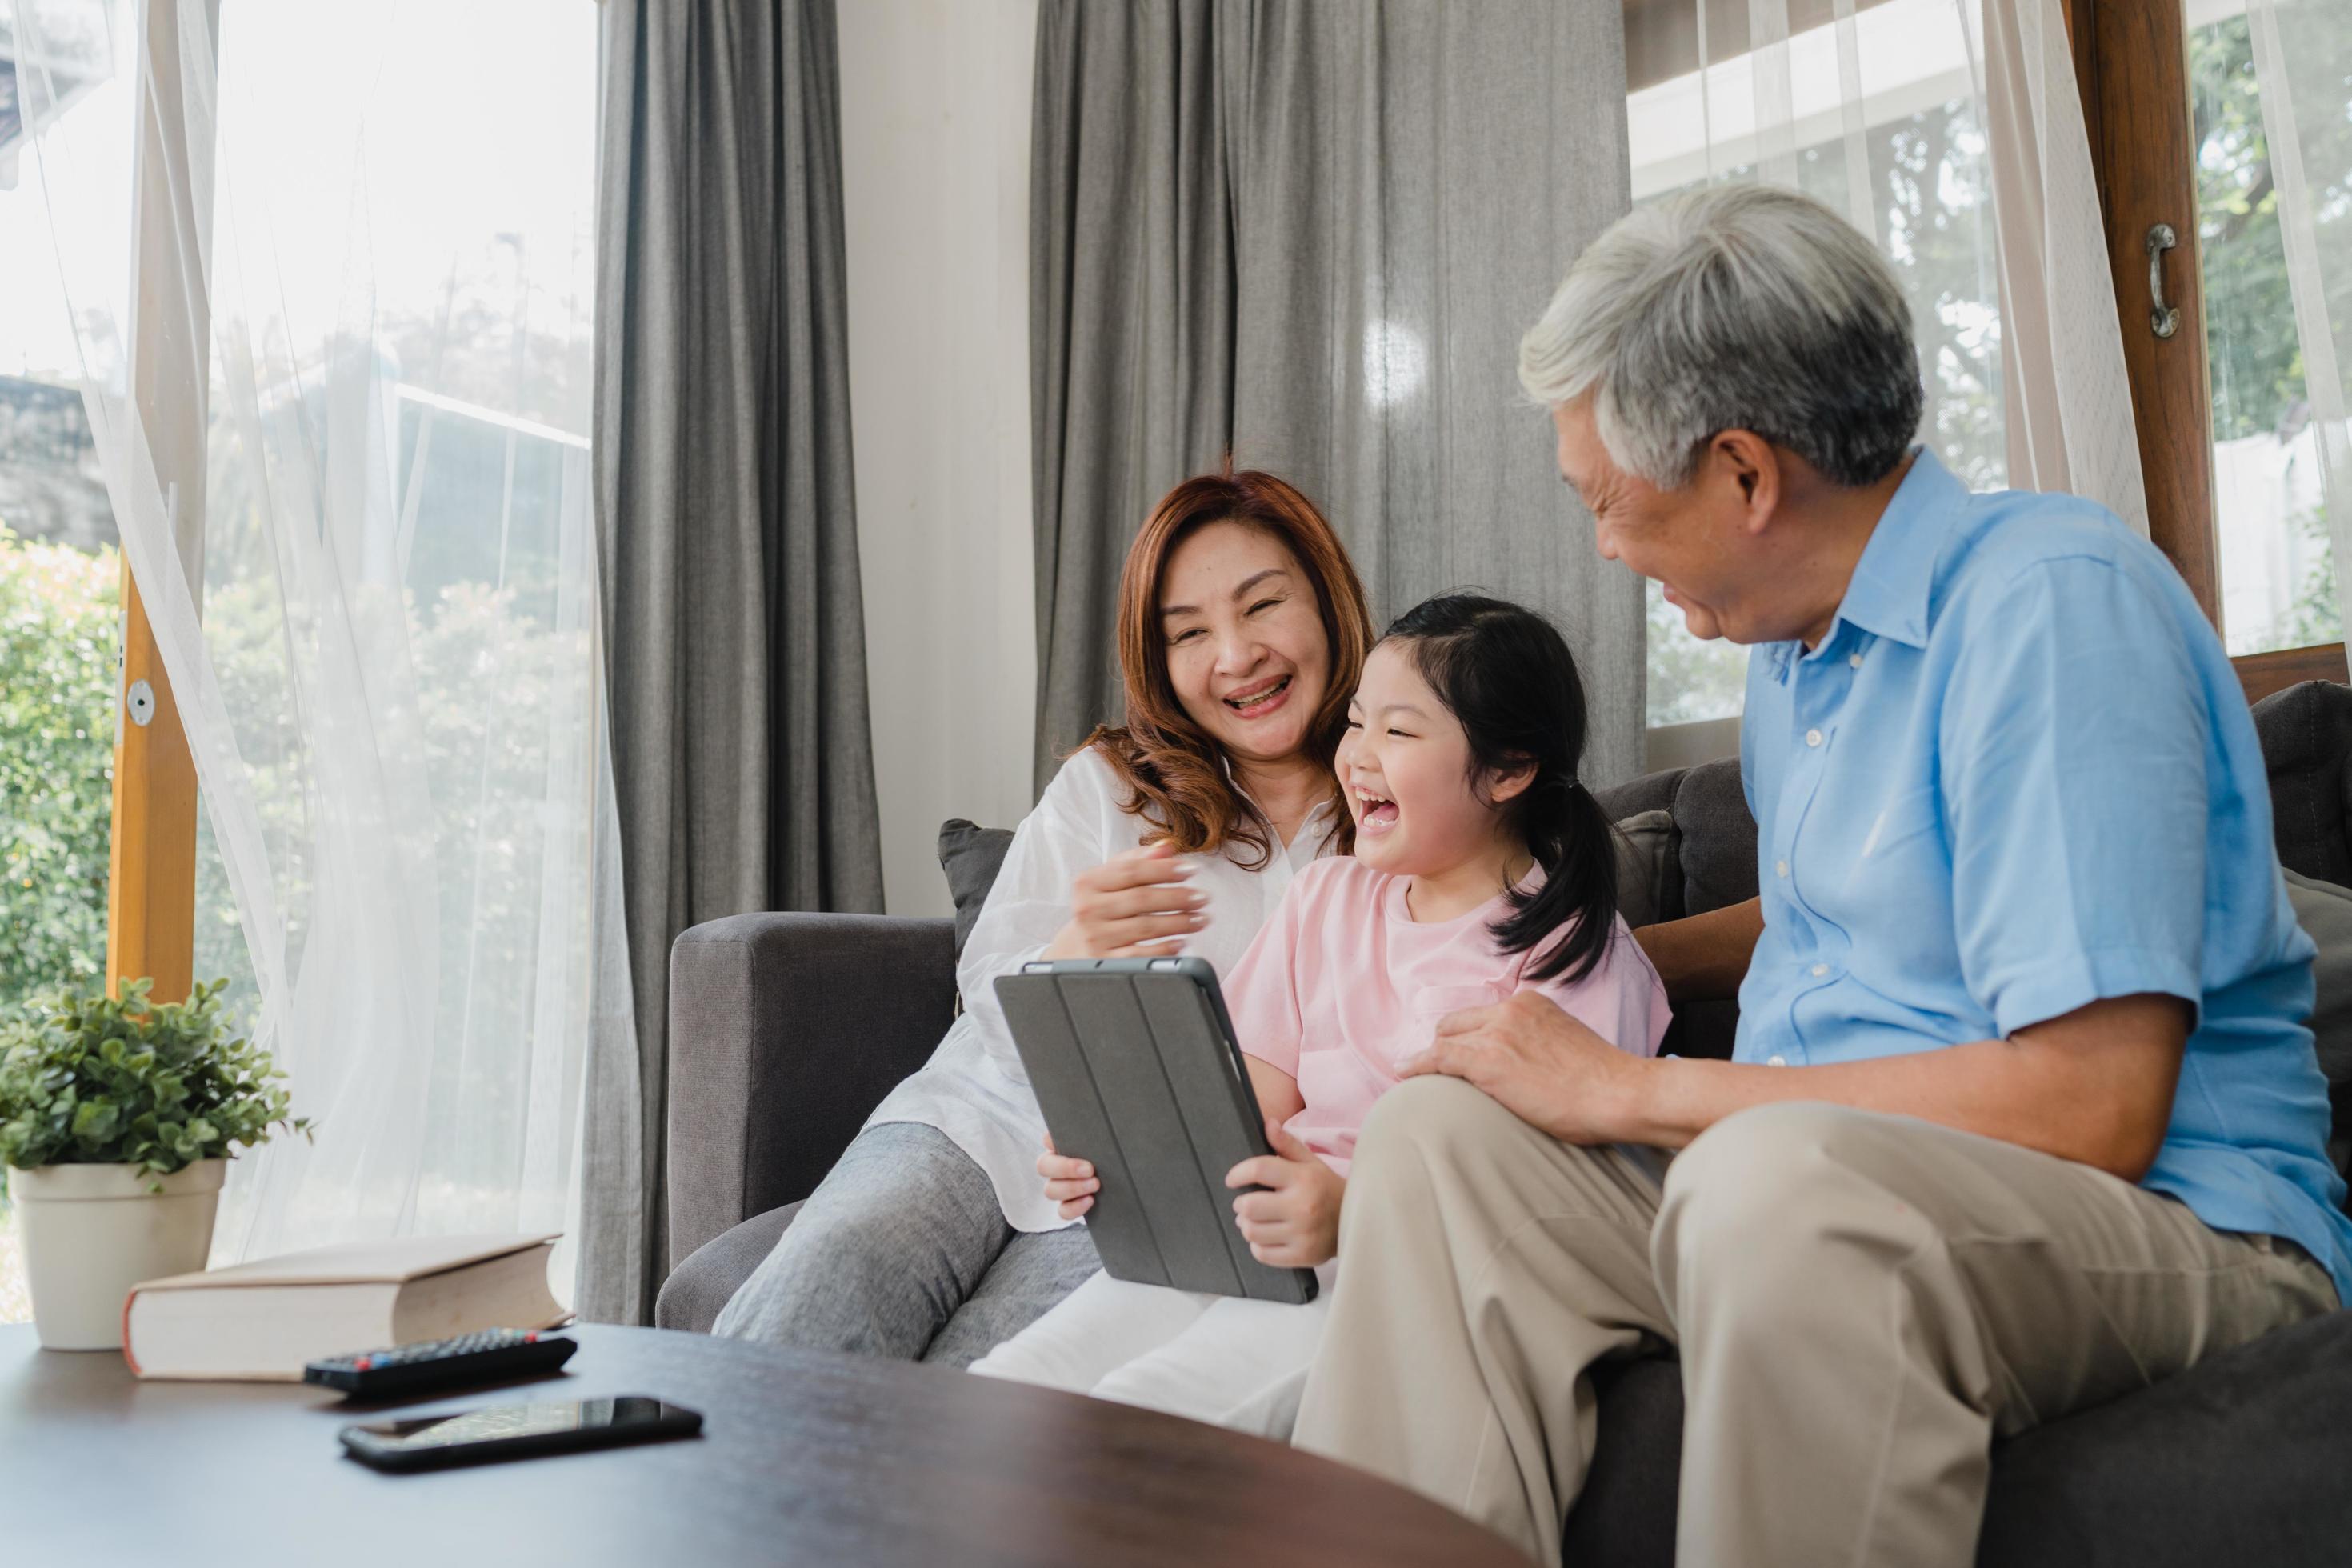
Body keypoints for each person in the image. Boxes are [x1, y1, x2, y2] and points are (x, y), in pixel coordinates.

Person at [1290, 183, 2352, 1566]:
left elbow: (2098, 1102)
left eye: (1613, 504)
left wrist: (1638, 1087)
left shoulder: (2049, 607)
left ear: (1744, 473)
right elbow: (1846, 914)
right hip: (1814, 1195)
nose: (1606, 548)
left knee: (1774, 1187)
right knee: (1437, 1145)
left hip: (2161, 1222)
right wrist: (1594, 963)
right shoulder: (1798, 664)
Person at [714, 469, 1374, 1366]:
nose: (1235, 656)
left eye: (1263, 606)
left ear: (1329, 603)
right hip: (981, 1116)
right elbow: (986, 991)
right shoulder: (1113, 784)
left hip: (1146, 1176)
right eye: (1190, 633)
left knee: (994, 1385)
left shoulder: (1397, 807)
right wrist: (1073, 950)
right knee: (816, 1289)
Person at [970, 594, 1669, 1438]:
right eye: (1356, 723)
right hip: (1244, 1236)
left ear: (1508, 767)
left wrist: (1346, 1205)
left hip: (1381, 1268)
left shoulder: (1574, 955)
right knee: (1003, 1390)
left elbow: (1544, 1201)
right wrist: (1130, 1150)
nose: (1358, 758)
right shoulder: (1326, 896)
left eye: (1399, 733)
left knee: (1138, 1419)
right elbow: (1247, 1101)